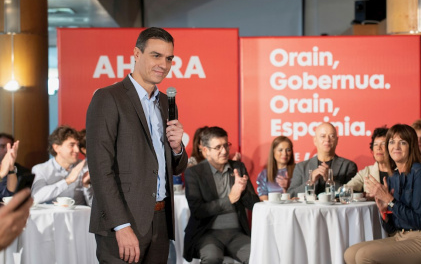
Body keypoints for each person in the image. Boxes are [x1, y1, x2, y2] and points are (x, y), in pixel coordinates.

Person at [86, 27, 188, 264]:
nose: (163, 64)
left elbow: (174, 167)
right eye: (156, 55)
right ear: (136, 54)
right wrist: (120, 225)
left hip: (161, 221)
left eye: (169, 58)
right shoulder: (108, 97)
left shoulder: (165, 102)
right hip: (123, 222)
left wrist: (177, 149)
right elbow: (101, 169)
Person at [344, 124, 421, 264]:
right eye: (392, 142)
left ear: (412, 146)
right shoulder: (394, 176)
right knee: (350, 254)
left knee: (363, 256)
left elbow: (419, 221)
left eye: (403, 142)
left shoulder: (420, 172)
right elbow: (392, 230)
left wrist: (390, 200)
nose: (396, 147)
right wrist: (384, 212)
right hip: (402, 236)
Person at [183, 127, 260, 263]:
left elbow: (254, 204)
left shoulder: (238, 167)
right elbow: (198, 211)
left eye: (226, 145)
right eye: (218, 147)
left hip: (236, 233)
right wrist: (230, 199)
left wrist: (242, 192)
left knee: (257, 257)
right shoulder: (194, 173)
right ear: (206, 150)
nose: (224, 151)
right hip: (207, 233)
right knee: (212, 258)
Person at [288, 122, 357, 196]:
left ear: (337, 140)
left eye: (332, 136)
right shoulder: (301, 167)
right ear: (315, 140)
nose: (327, 140)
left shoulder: (348, 166)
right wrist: (310, 182)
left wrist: (330, 180)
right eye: (323, 136)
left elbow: (353, 194)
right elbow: (291, 194)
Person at [31, 125, 92, 205]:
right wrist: (67, 181)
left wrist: (86, 185)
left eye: (78, 145)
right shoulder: (41, 169)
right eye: (72, 145)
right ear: (56, 148)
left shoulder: (85, 167)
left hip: (80, 216)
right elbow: (36, 197)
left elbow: (95, 207)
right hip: (51, 216)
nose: (77, 150)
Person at [346, 127, 390, 193]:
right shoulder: (366, 172)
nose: (378, 148)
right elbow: (345, 189)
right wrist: (364, 196)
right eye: (375, 144)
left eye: (383, 144)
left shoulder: (400, 171)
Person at [256, 136, 295, 200]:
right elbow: (263, 199)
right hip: (271, 209)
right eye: (280, 150)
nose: (284, 153)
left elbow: (301, 197)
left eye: (288, 150)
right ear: (273, 152)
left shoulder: (298, 171)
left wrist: (288, 187)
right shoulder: (264, 174)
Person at [0, 133, 30, 198]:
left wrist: (11, 168)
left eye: (10, 147)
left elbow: (10, 193)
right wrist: (1, 174)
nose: (6, 150)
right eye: (2, 146)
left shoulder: (23, 171)